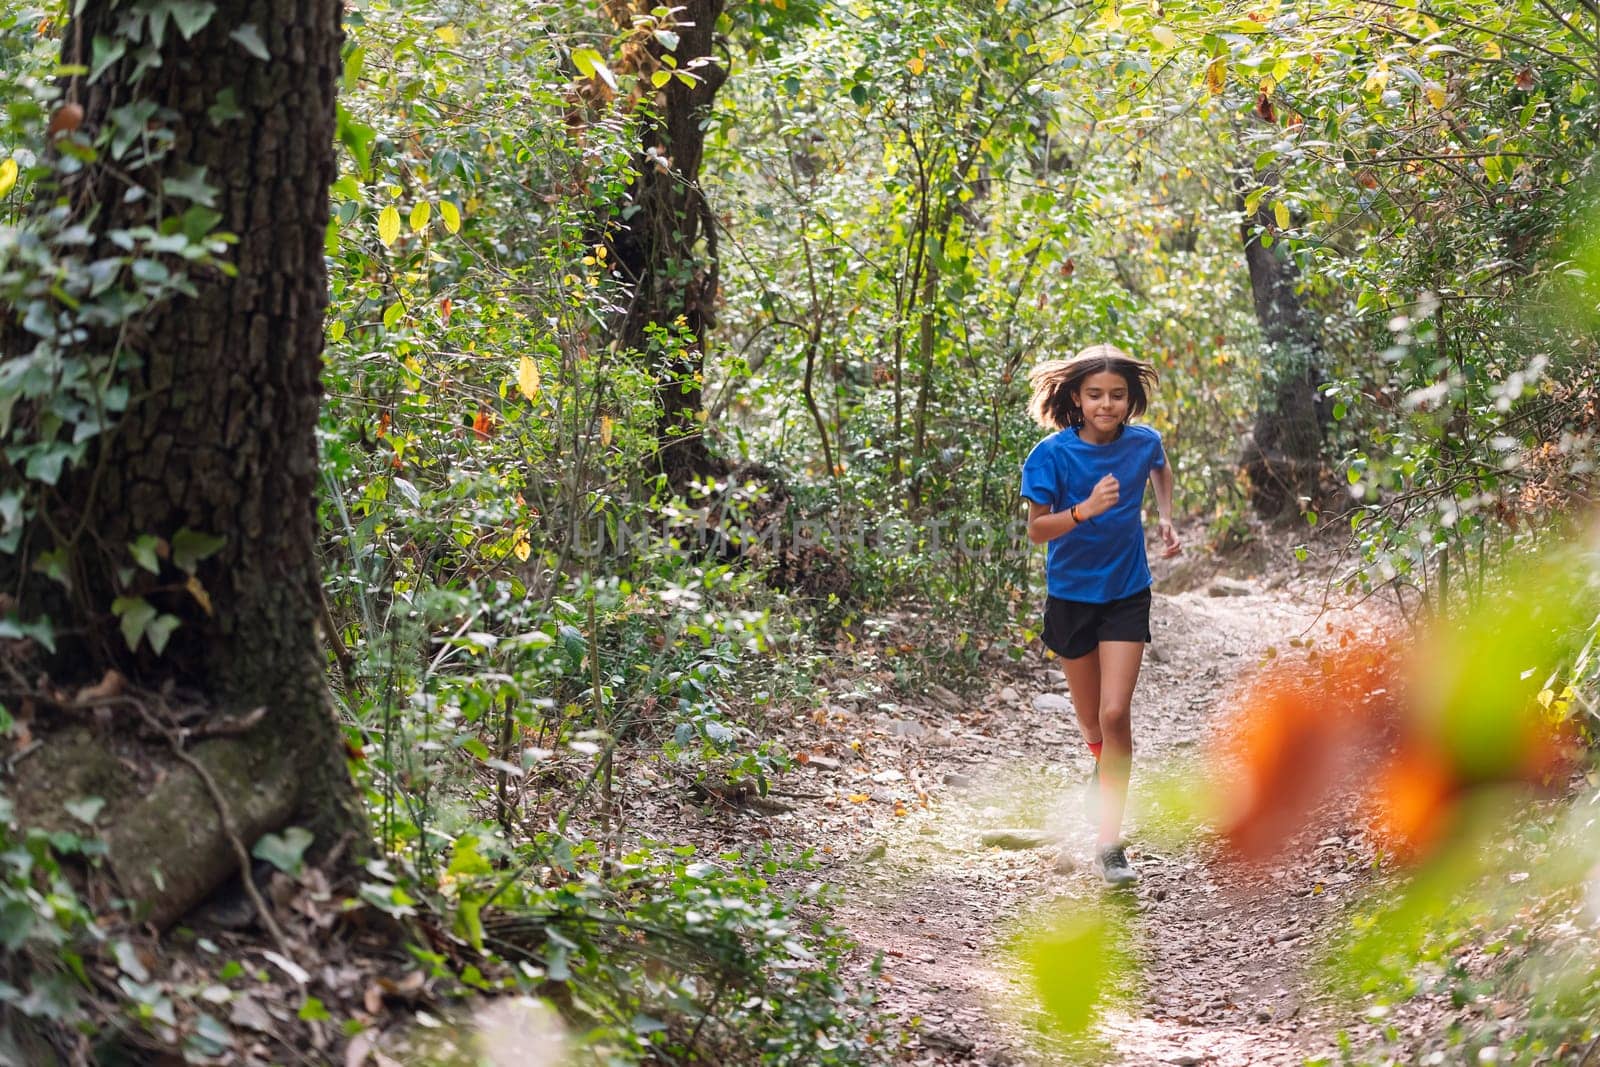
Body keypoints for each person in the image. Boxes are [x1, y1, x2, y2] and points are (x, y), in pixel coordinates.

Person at [1020, 343, 1180, 887]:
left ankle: (1110, 843)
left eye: (1117, 395)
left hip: (1126, 592)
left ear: (1130, 398)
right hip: (1070, 596)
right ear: (1075, 397)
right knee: (1091, 722)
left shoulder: (1143, 442)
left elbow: (1159, 467)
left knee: (1116, 715)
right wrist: (1083, 511)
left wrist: (1164, 518)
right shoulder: (1052, 455)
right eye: (1095, 395)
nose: (1106, 405)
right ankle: (1101, 763)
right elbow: (1036, 529)